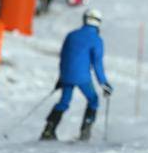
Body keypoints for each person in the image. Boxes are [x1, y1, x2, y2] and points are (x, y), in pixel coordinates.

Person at [40, 9, 112, 141]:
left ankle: (48, 130)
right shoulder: (96, 40)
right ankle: (85, 133)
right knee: (93, 100)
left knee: (64, 102)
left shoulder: (71, 35)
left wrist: (61, 78)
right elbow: (97, 64)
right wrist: (104, 83)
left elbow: (63, 57)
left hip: (66, 75)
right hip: (82, 77)